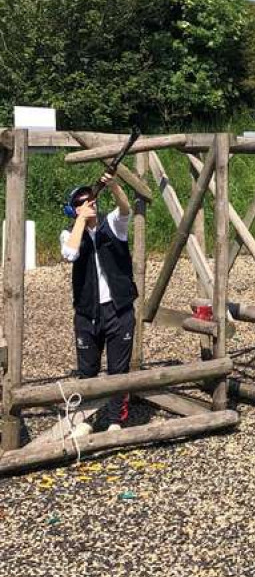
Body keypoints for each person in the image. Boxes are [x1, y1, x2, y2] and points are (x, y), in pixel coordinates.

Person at [60, 172, 138, 439]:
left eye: (90, 197)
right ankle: (87, 419)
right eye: (82, 200)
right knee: (88, 370)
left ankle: (116, 420)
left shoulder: (112, 224)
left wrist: (114, 184)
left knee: (118, 369)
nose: (89, 202)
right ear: (74, 208)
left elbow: (125, 208)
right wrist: (81, 219)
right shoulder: (69, 234)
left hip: (119, 309)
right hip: (87, 312)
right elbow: (70, 253)